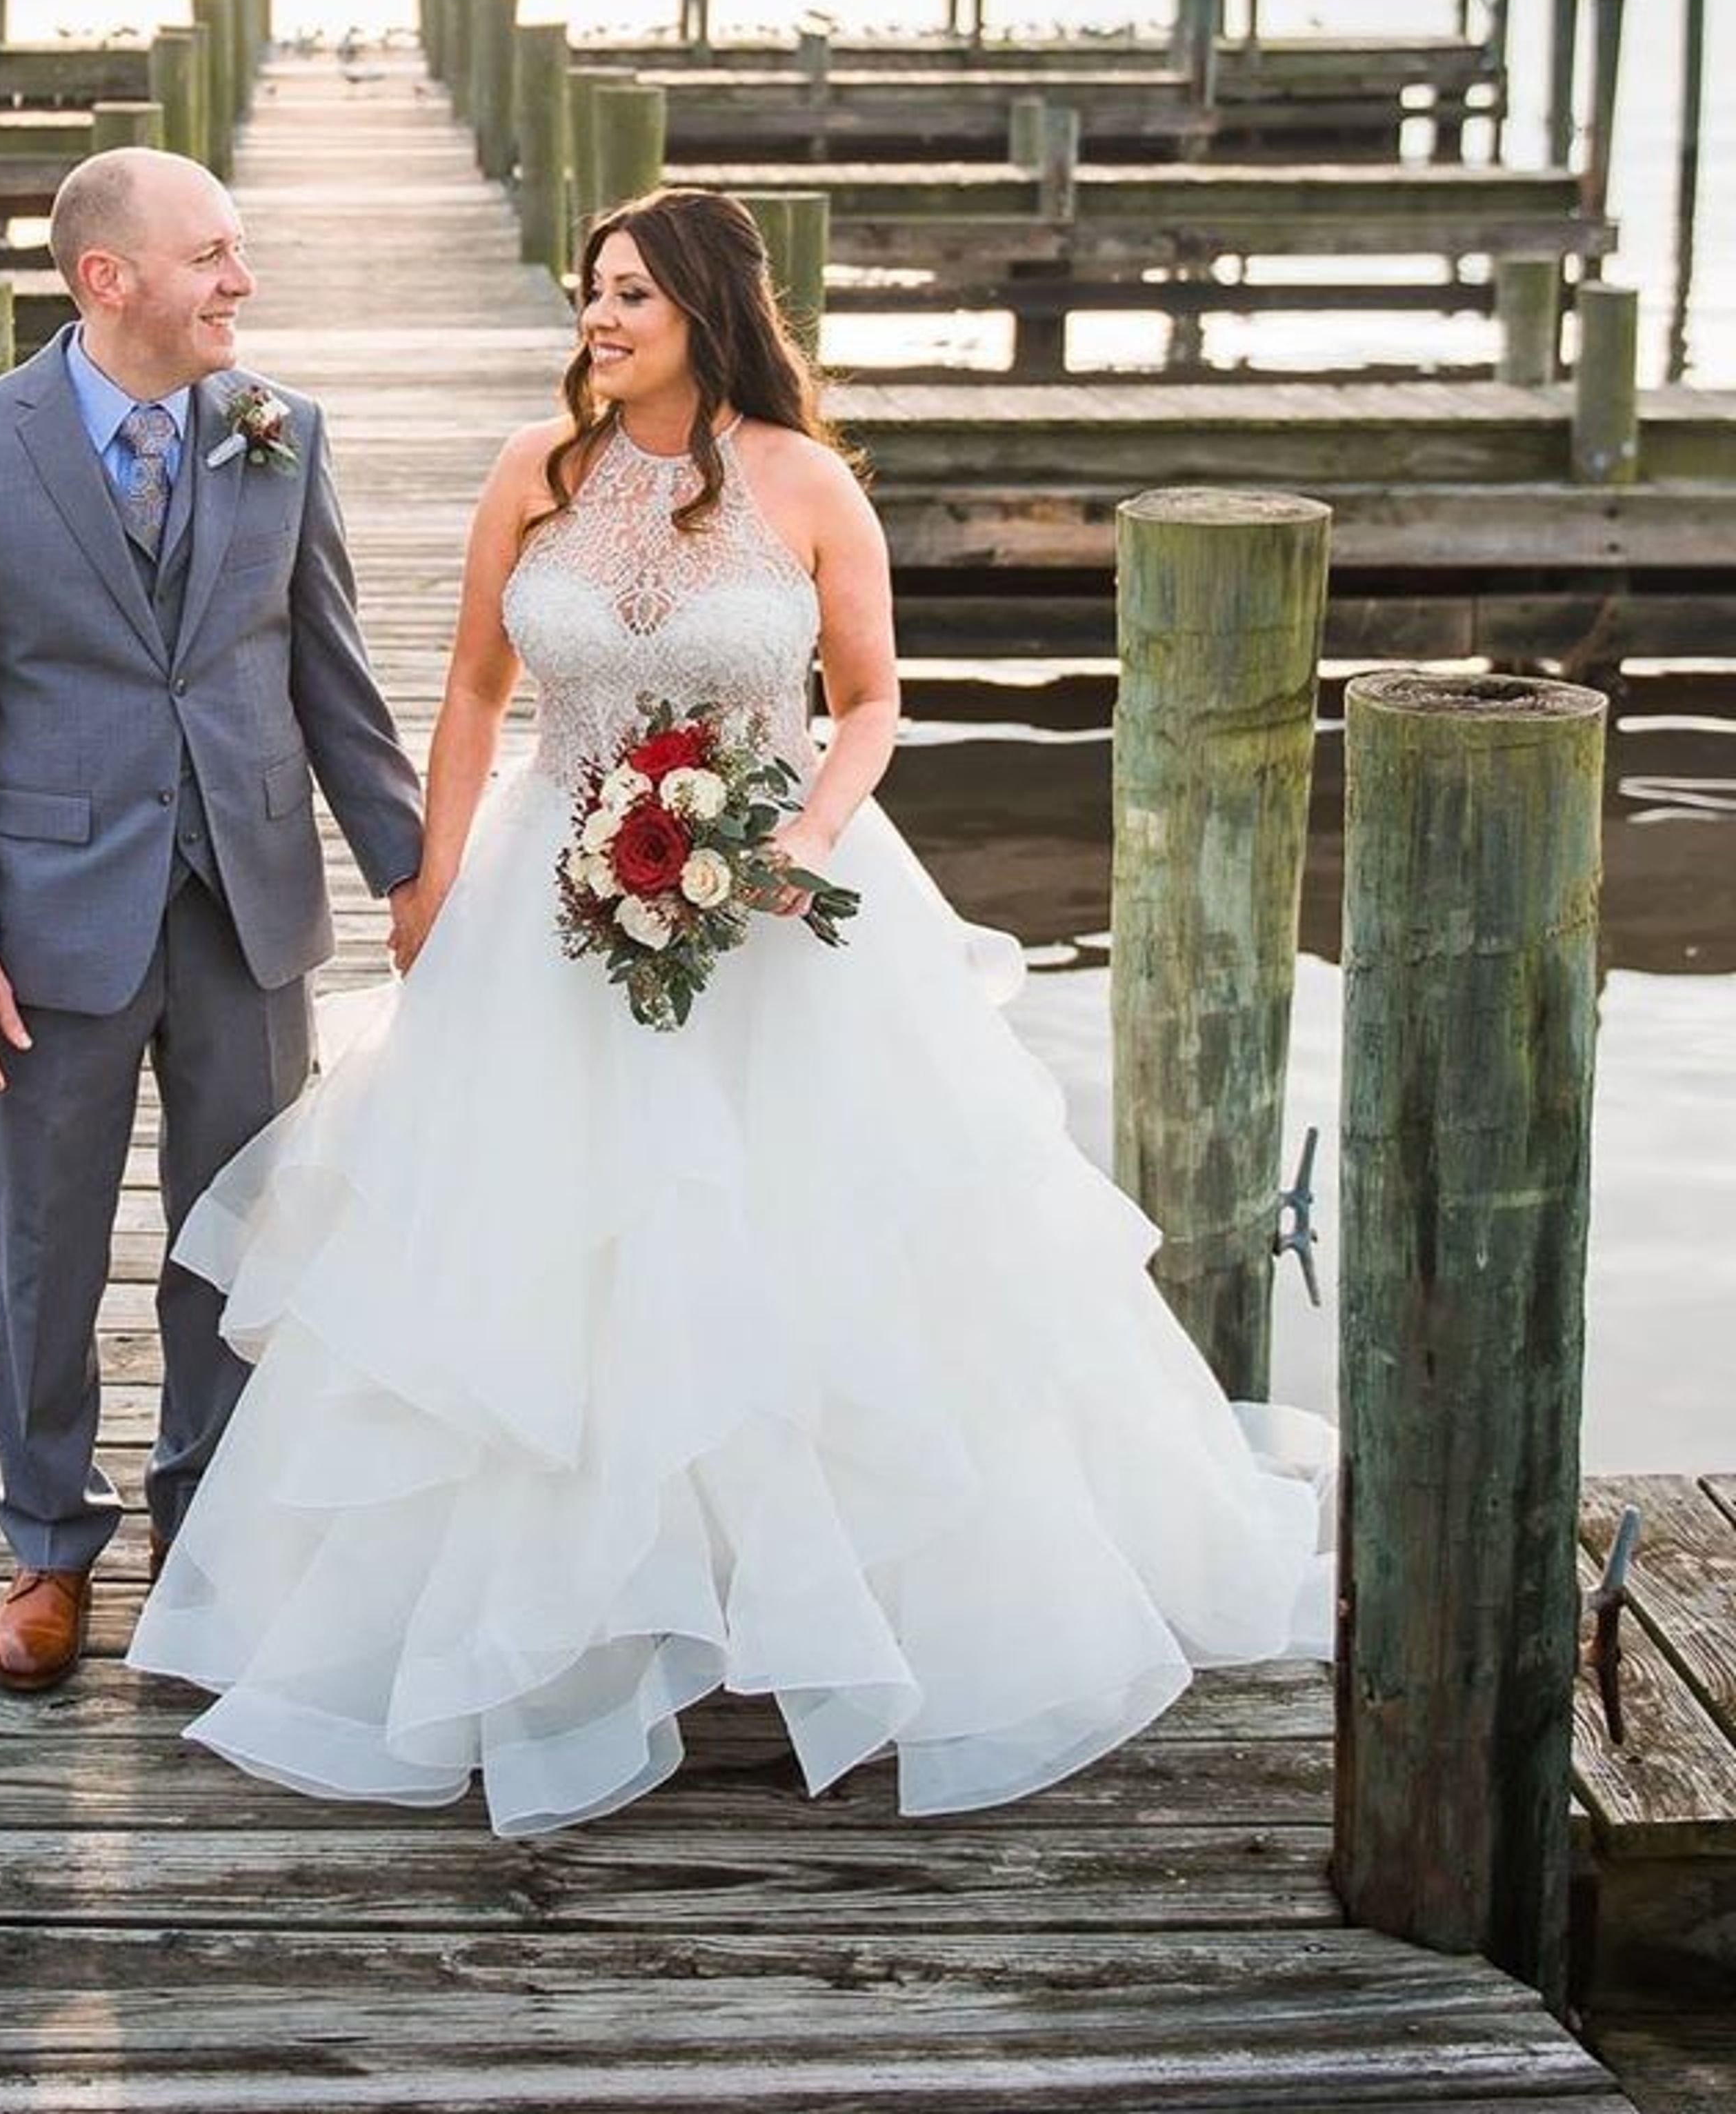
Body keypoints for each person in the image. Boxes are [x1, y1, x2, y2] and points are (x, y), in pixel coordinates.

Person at [125, 186, 1332, 1833]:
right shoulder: (532, 476)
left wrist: (803, 836)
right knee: (542, 1266)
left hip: (768, 911)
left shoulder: (807, 483)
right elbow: (476, 689)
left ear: (705, 307)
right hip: (546, 905)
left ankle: (829, 1612)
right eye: (588, 296)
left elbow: (874, 695)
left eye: (628, 295)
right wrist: (424, 884)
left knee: (802, 1254)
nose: (598, 322)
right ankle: (573, 1626)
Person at [0, 146, 424, 1694]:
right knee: (47, 1244)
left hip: (245, 905)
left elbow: (329, 673)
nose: (240, 283)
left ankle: (212, 1529)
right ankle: (50, 1543)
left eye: (239, 251)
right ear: (105, 278)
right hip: (47, 924)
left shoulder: (280, 432)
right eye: (211, 256)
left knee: (237, 1235)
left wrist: (412, 875)